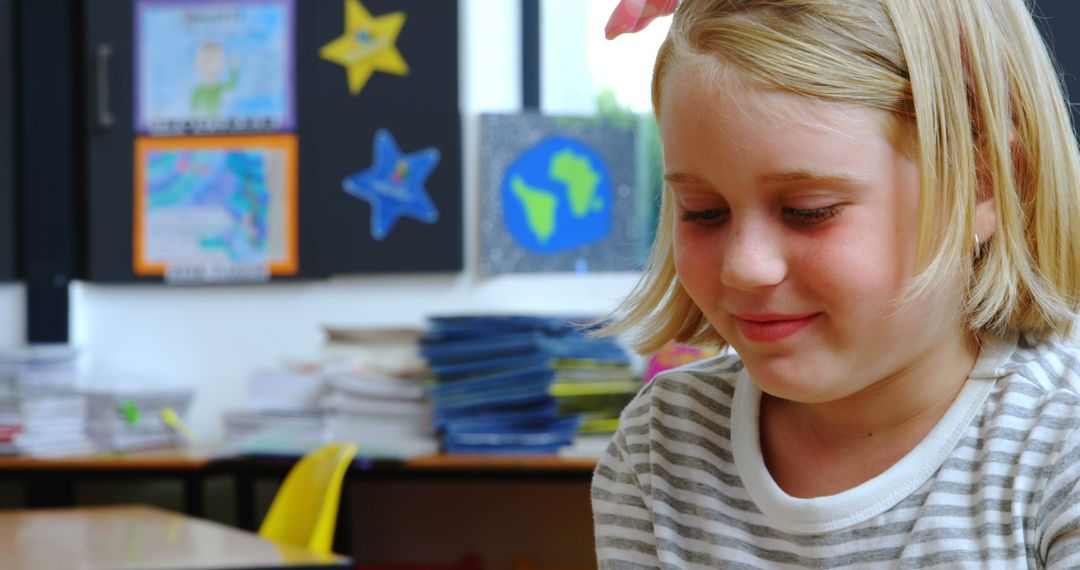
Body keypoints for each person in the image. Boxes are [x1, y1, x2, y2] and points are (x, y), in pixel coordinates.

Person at [593, 0, 1080, 567]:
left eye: (809, 210)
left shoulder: (1058, 449)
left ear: (982, 187)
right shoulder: (661, 444)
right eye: (703, 211)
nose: (744, 266)